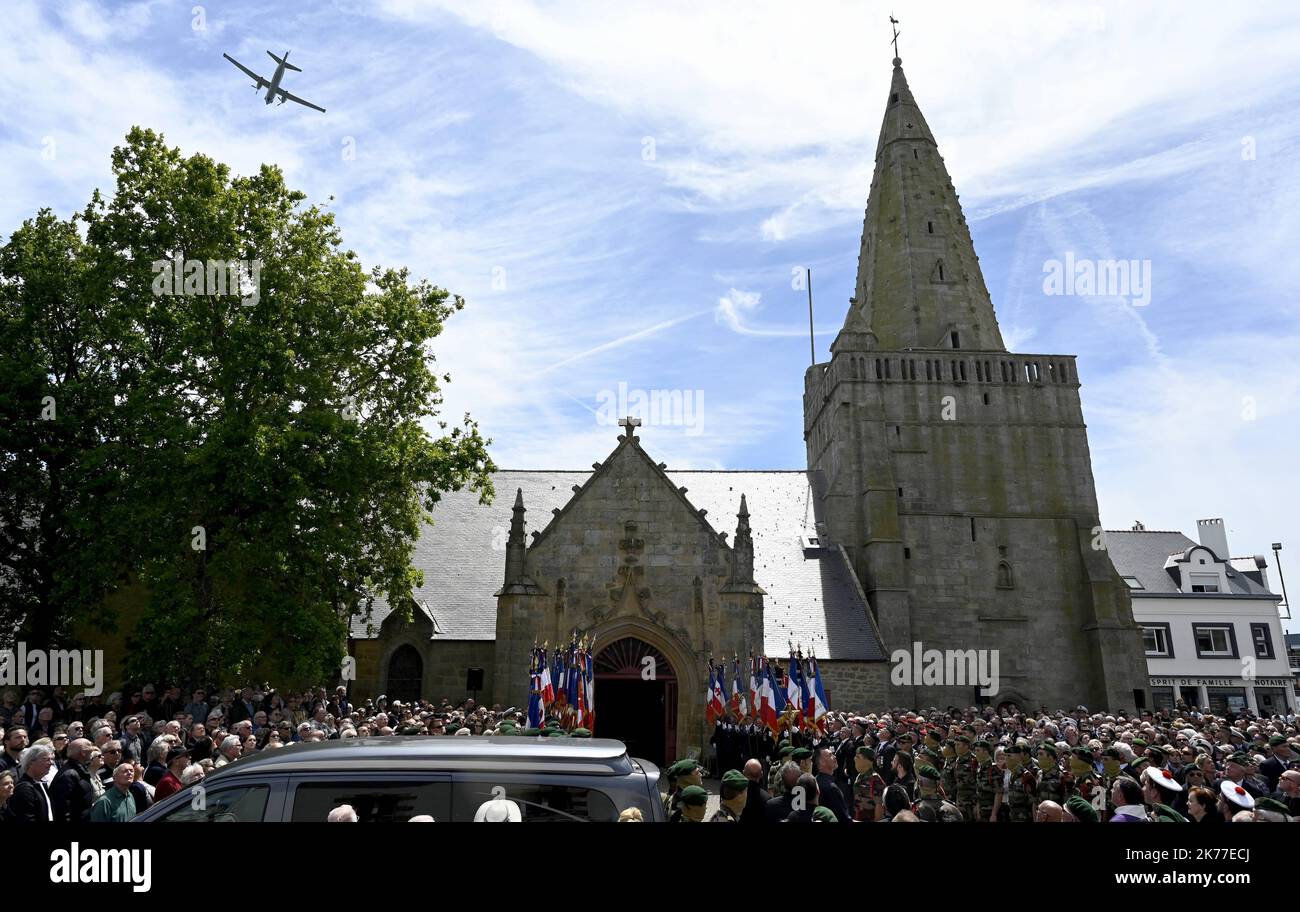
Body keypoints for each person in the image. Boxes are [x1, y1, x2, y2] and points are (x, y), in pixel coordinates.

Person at [50, 738, 96, 823]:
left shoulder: (80, 770)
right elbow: (62, 809)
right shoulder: (68, 775)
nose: (93, 748)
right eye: (90, 745)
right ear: (83, 752)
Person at [9, 744, 56, 822]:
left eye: (51, 759)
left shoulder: (40, 784)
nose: (51, 763)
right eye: (46, 759)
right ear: (31, 763)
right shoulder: (24, 788)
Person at [814, 747, 851, 823]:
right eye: (830, 755)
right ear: (822, 762)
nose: (834, 756)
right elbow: (844, 818)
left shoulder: (815, 781)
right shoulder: (831, 788)